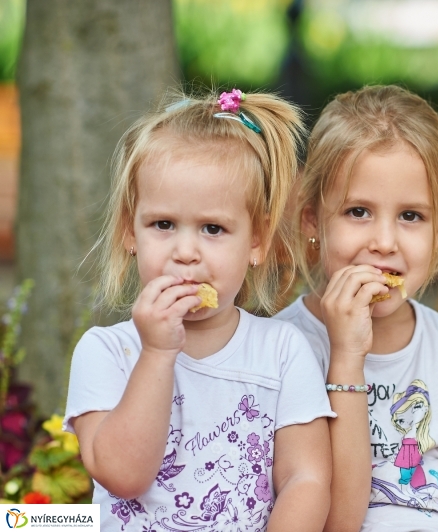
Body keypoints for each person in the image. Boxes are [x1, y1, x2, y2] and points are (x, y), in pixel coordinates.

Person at [64, 89, 334, 532]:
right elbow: (124, 477)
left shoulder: (282, 351)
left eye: (213, 228)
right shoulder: (106, 352)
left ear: (256, 241)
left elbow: (306, 479)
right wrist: (156, 353)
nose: (185, 252)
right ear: (131, 231)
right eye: (163, 225)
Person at [275, 85, 438, 532]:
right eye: (358, 212)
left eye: (411, 216)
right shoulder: (280, 347)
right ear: (312, 219)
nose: (384, 243)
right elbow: (333, 521)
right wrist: (346, 357)